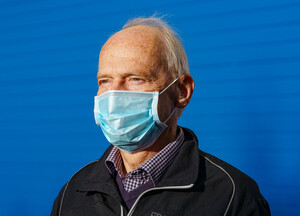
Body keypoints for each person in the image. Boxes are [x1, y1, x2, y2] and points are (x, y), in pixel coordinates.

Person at [51, 16, 270, 216]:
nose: (114, 95)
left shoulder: (233, 196)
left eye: (135, 78)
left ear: (182, 91)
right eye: (105, 81)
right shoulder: (74, 190)